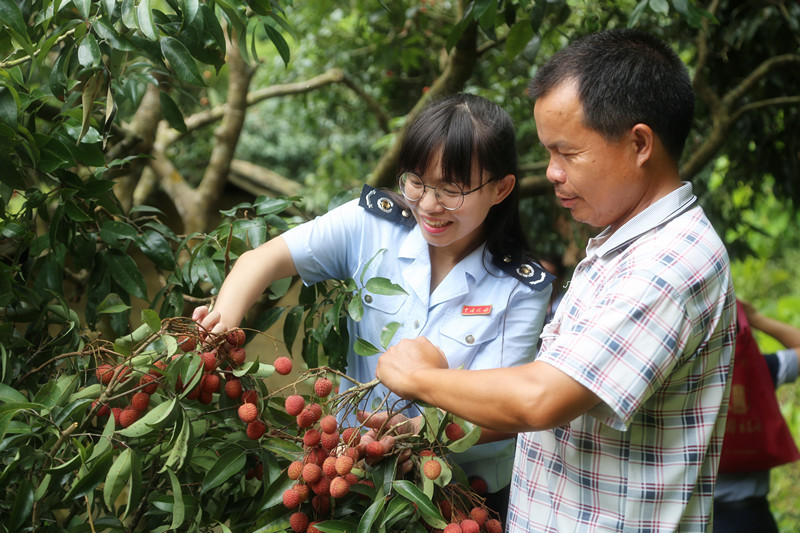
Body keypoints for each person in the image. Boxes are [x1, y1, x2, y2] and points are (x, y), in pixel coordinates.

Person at [375, 28, 737, 532]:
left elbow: (542, 398)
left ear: (639, 143)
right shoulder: (620, 248)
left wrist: (419, 380)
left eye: (567, 153)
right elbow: (554, 407)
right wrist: (420, 429)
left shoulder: (667, 264)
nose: (551, 173)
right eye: (548, 154)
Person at [193, 93, 554, 516]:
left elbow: (507, 408)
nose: (428, 205)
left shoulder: (521, 286)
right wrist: (222, 323)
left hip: (463, 496)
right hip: (354, 477)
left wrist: (421, 431)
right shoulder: (372, 224)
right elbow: (262, 260)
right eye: (416, 182)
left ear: (501, 189)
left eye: (451, 190)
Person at [713, 299, 800, 533]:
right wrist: (757, 319)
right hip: (751, 517)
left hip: (690, 518)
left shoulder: (674, 380)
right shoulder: (759, 369)